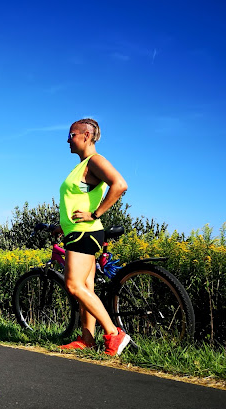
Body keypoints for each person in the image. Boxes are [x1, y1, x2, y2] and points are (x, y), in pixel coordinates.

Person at [58, 118, 130, 356]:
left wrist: (95, 213)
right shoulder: (82, 166)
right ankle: (87, 338)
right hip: (77, 232)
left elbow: (119, 184)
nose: (68, 140)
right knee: (86, 286)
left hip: (84, 233)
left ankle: (113, 334)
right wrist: (62, 226)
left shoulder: (94, 161)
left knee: (73, 285)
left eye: (72, 135)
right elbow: (77, 199)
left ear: (86, 136)